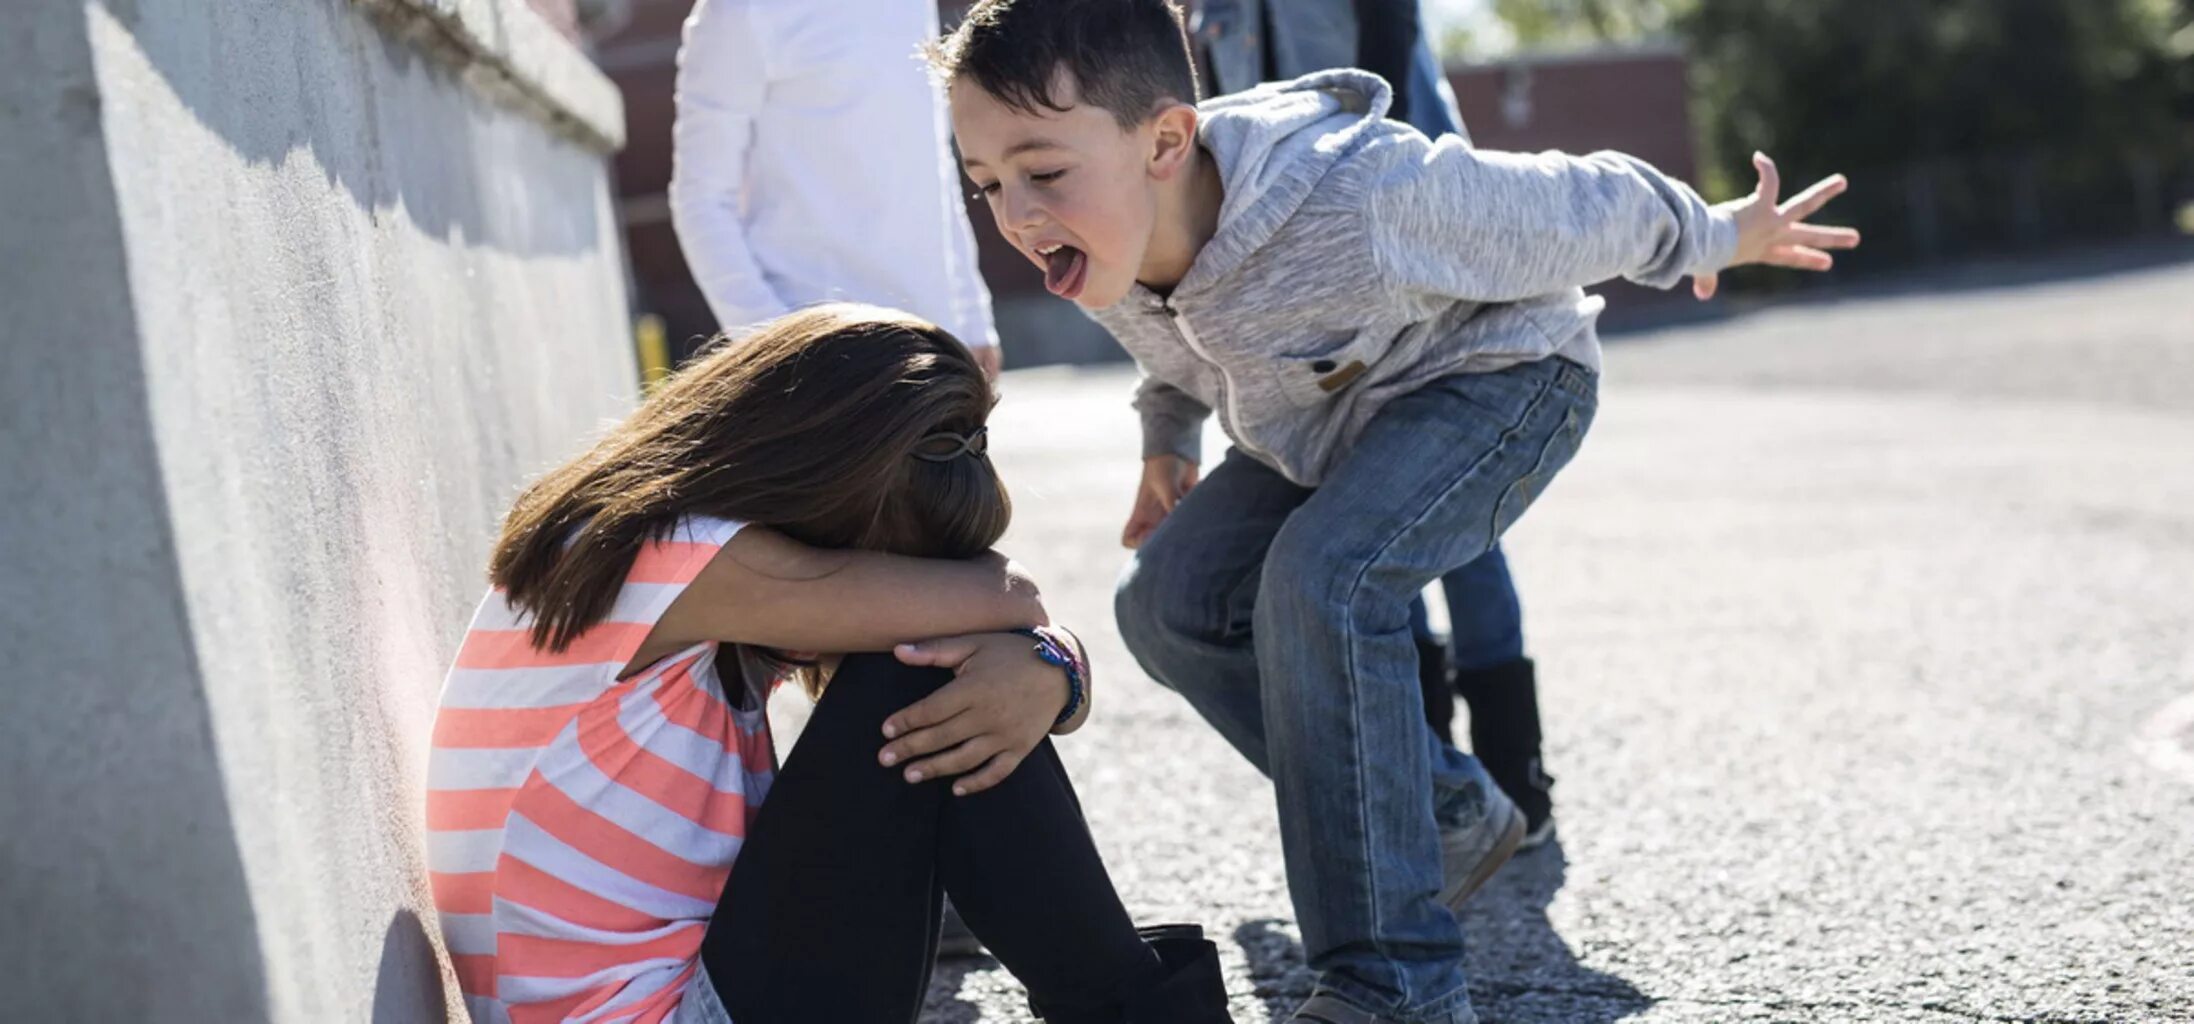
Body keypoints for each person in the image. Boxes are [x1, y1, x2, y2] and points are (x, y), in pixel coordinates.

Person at [931, 2, 1857, 1021]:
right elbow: (1176, 345)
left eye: (1041, 172)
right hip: (1325, 421)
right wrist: (1167, 442)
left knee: (1322, 580)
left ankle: (1399, 982)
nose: (1015, 214)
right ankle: (1444, 810)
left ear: (1163, 140)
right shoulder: (1103, 235)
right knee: (1164, 600)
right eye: (986, 185)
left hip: (1500, 383)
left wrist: (1719, 229)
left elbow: (1580, 201)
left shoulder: (1360, 192)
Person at [423, 305, 1235, 1024]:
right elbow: (1009, 596)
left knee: (942, 673)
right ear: (819, 483)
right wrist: (1045, 658)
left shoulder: (653, 555)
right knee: (920, 673)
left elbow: (1013, 620)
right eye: (884, 565)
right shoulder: (669, 556)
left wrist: (1053, 669)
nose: (889, 594)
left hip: (689, 992)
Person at [1195, 0, 1559, 847]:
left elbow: (1397, 89)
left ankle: (1515, 770)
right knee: (1369, 517)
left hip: (1410, 247)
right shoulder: (1207, 13)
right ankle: (1441, 784)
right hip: (1301, 290)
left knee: (1460, 530)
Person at [669, 0, 1003, 377]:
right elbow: (702, 200)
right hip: (822, 363)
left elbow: (932, 169)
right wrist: (778, 348)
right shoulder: (740, 11)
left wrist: (972, 318)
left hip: (934, 343)